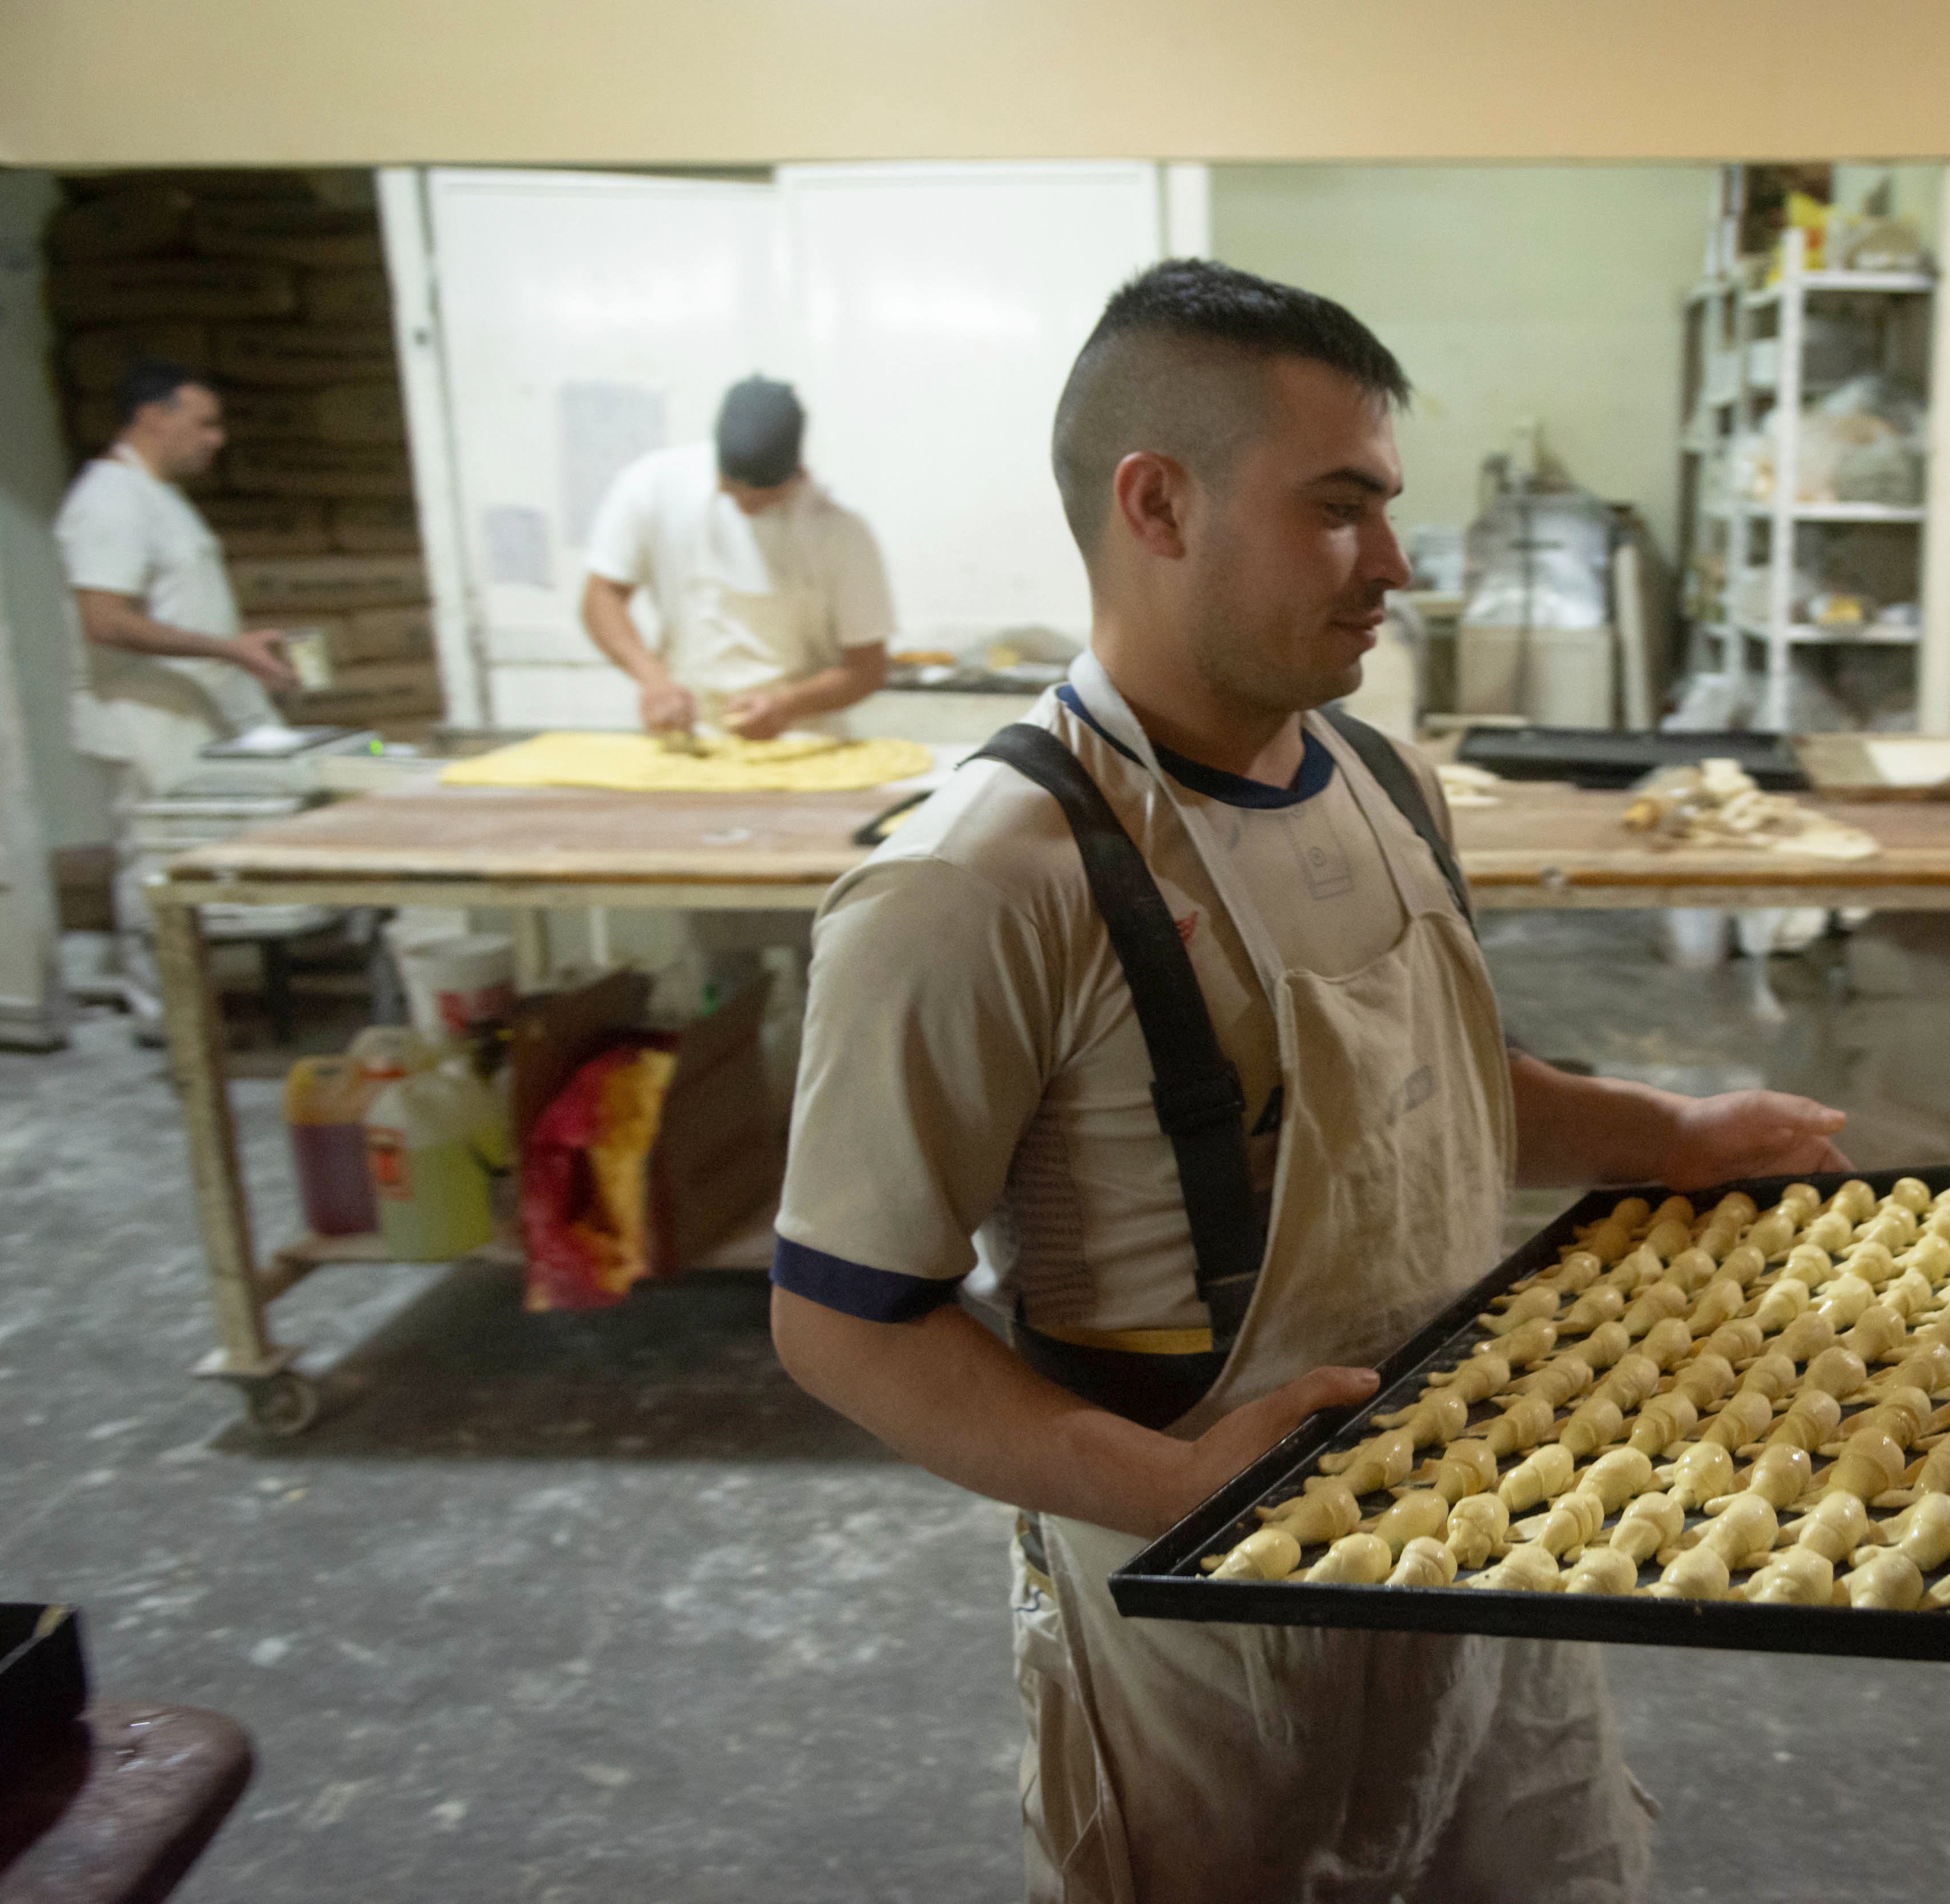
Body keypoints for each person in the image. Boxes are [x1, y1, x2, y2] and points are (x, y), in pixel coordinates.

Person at [768, 260, 1853, 1903]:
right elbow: (842, 1317)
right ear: (1158, 502)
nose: (1396, 567)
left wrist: (1674, 1136)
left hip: (1491, 1515)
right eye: (1341, 510)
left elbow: (1436, 1076)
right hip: (1215, 1602)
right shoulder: (986, 879)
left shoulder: (1380, 777)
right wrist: (1177, 1486)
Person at [55, 359, 301, 1038]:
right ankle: (168, 1023)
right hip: (143, 717)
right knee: (157, 867)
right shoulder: (108, 501)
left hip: (188, 711)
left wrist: (241, 653)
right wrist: (226, 650)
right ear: (153, 416)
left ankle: (199, 1006)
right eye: (205, 423)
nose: (216, 439)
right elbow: (104, 619)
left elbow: (179, 604)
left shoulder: (157, 496)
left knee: (194, 859)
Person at [580, 375, 894, 741]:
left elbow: (867, 669)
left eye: (765, 495)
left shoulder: (841, 532)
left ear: (799, 474)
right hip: (684, 734)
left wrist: (786, 705)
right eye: (733, 490)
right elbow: (602, 595)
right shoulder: (652, 488)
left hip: (801, 736)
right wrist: (653, 681)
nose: (748, 503)